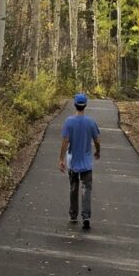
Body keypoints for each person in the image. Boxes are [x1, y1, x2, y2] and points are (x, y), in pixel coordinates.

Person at [58, 93, 100, 230]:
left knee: (74, 187)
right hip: (87, 162)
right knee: (86, 188)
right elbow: (97, 140)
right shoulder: (91, 122)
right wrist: (97, 151)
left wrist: (61, 159)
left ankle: (73, 215)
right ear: (85, 105)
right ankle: (86, 216)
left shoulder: (69, 121)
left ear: (75, 104)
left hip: (73, 162)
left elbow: (65, 141)